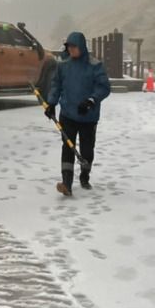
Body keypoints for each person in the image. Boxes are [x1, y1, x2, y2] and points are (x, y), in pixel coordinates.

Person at [45, 31, 111, 196]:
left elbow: (104, 87)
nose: (72, 50)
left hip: (88, 116)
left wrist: (91, 100)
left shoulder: (95, 65)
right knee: (68, 147)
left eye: (74, 47)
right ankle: (66, 182)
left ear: (81, 47)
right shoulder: (63, 65)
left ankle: (84, 175)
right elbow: (56, 85)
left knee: (87, 150)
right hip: (67, 114)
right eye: (69, 47)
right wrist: (51, 103)